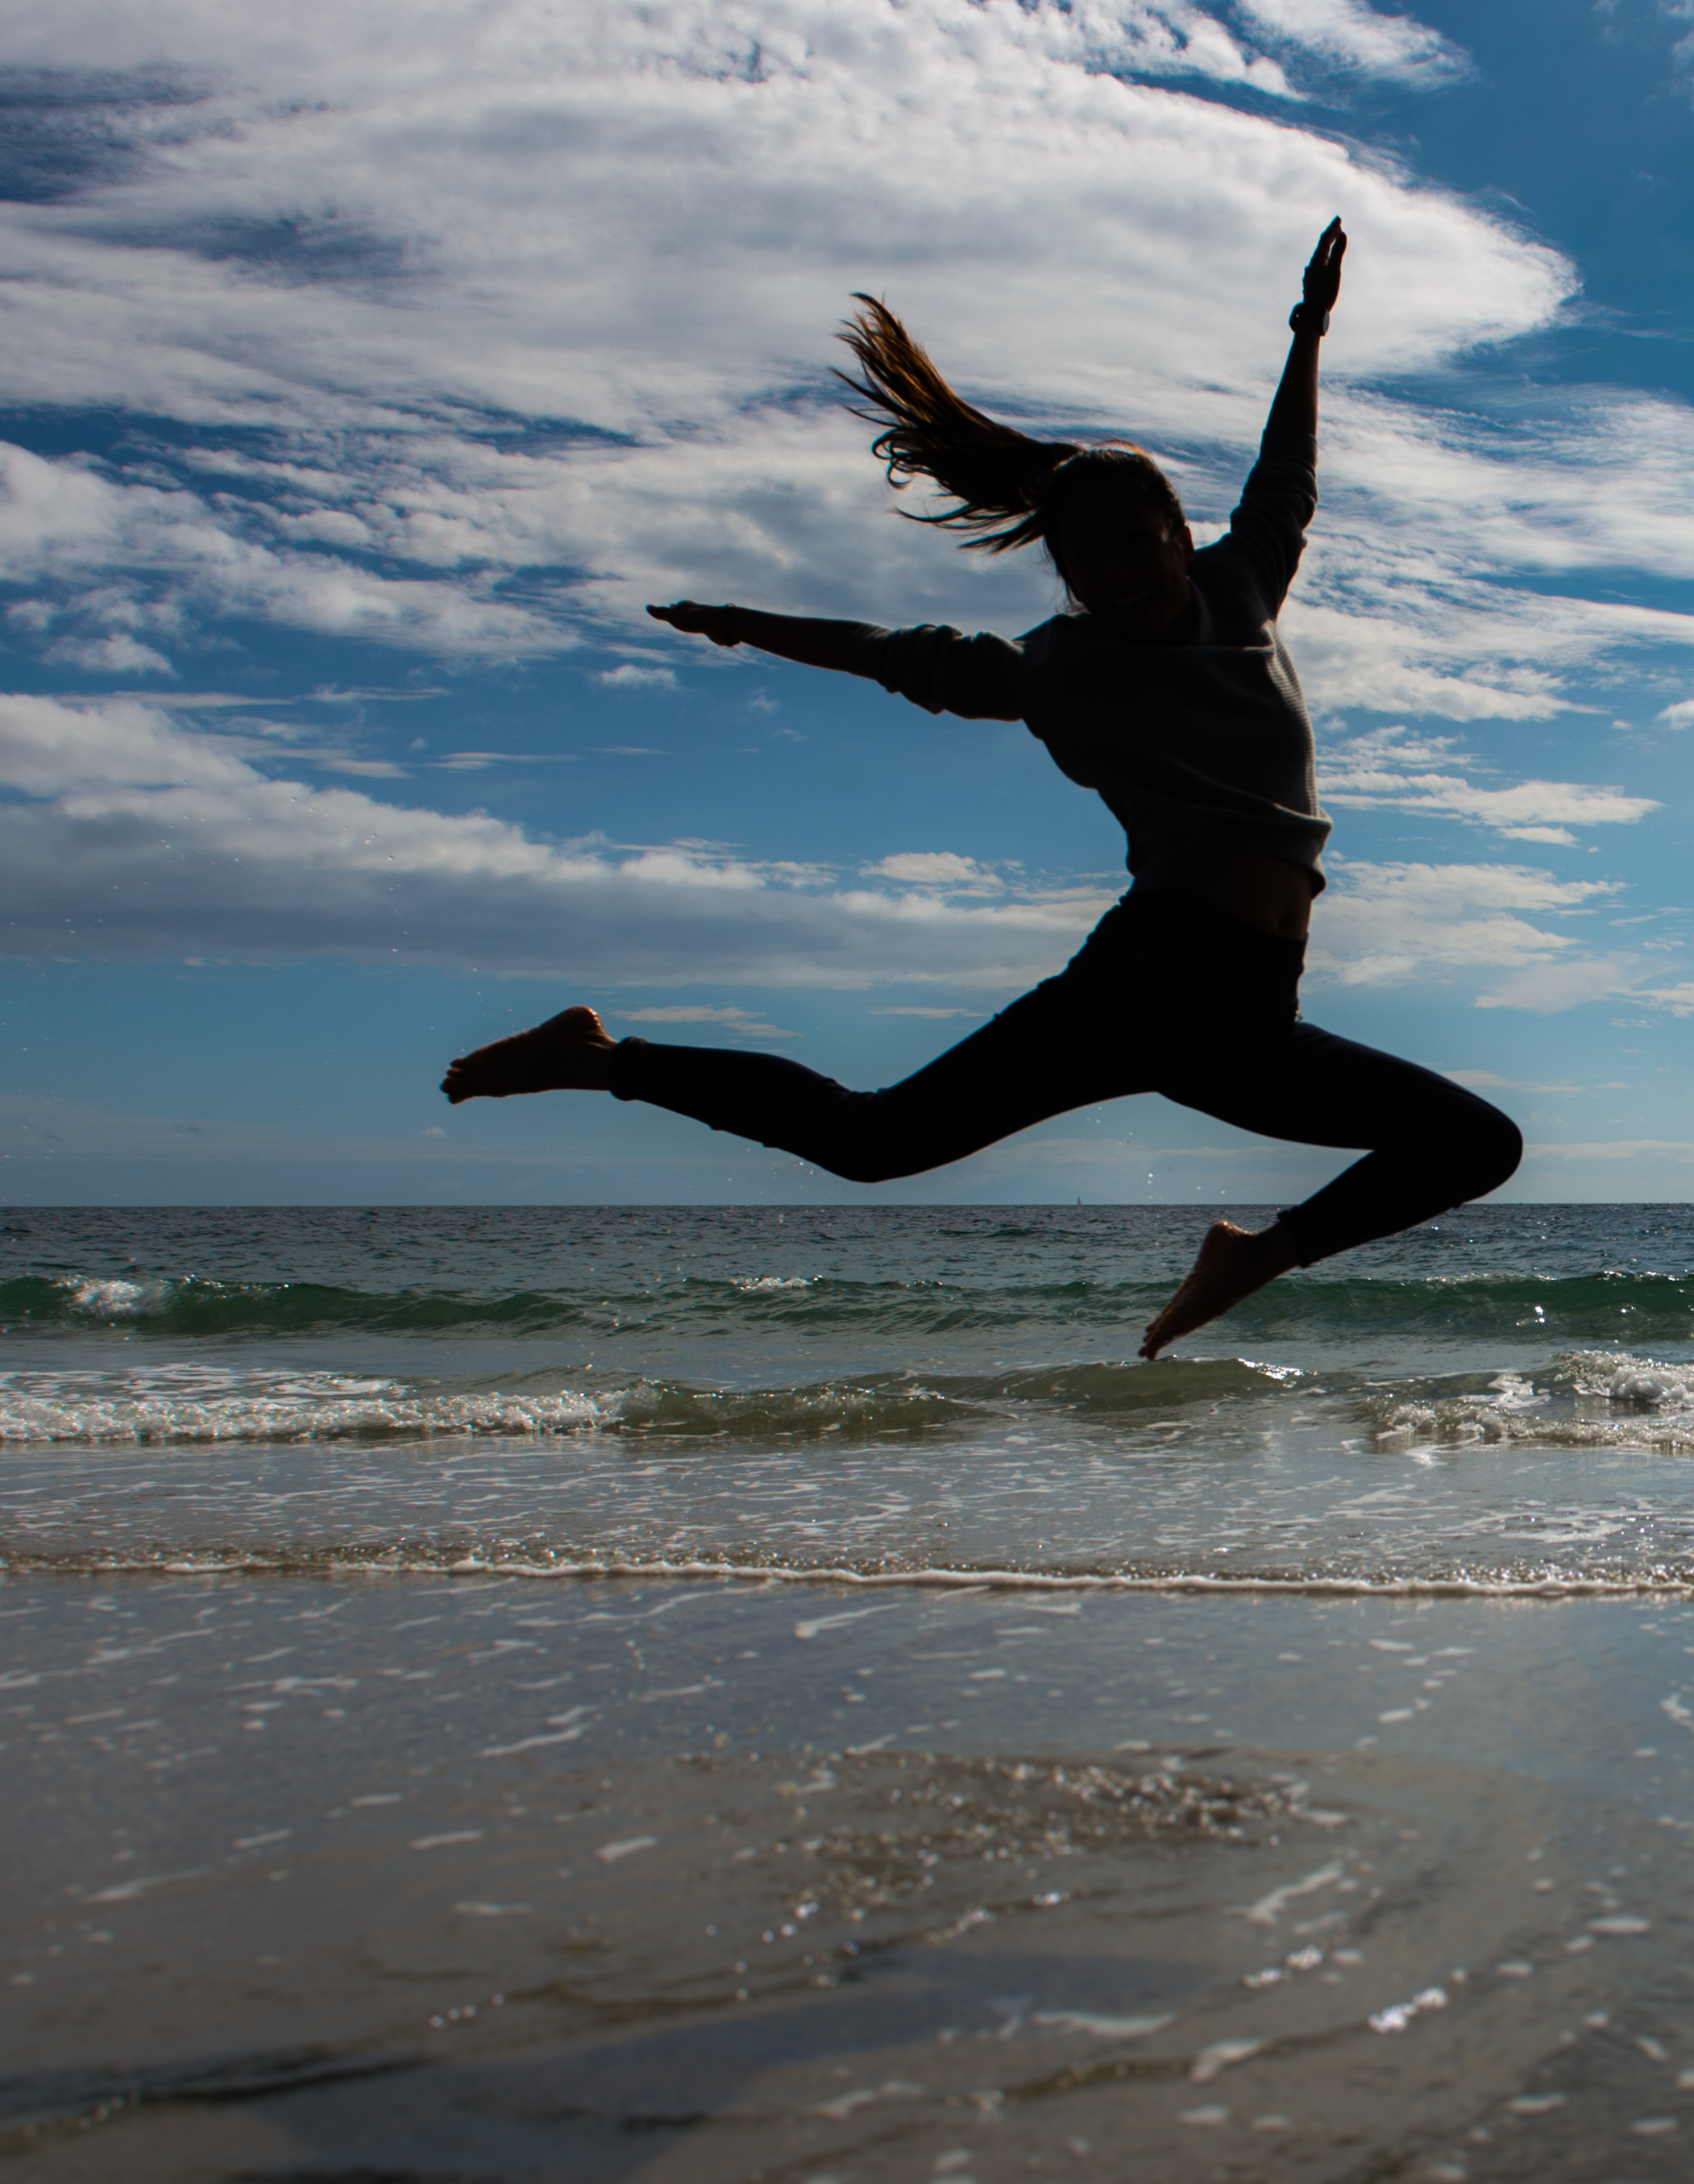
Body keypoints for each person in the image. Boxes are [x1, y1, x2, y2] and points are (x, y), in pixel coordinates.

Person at [441, 219, 1520, 1357]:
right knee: (872, 1142)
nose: (1114, 573)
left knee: (1474, 1143)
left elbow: (1287, 472)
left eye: (1133, 543)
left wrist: (1308, 331)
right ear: (1063, 569)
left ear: (1177, 531)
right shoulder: (1060, 670)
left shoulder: (1243, 584)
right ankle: (601, 1060)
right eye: (1085, 558)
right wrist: (746, 623)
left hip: (1252, 1012)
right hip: (1150, 980)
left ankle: (1253, 1256)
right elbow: (891, 654)